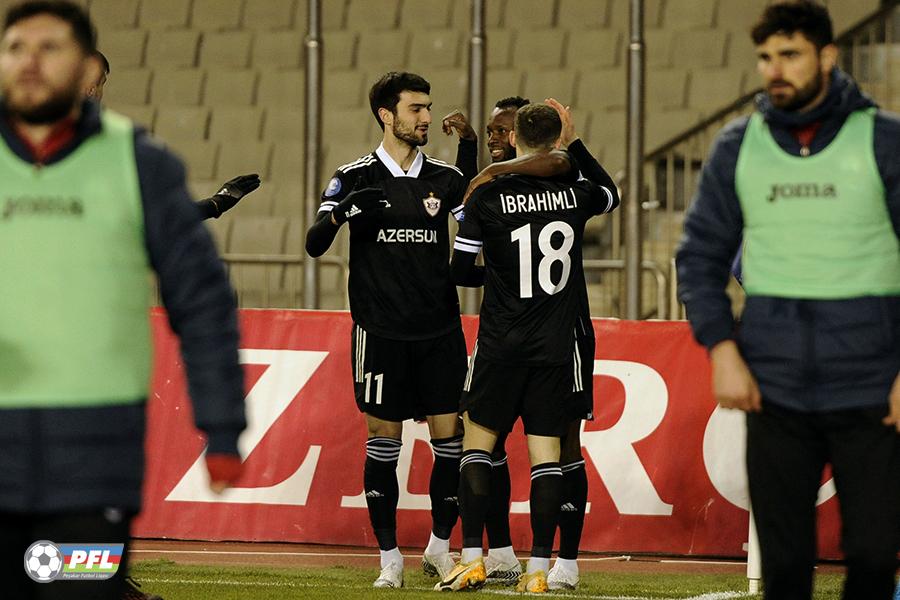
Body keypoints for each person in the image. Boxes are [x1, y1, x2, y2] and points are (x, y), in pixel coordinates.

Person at [0, 3, 247, 600]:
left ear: (84, 67)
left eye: (50, 48)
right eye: (15, 48)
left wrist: (221, 425)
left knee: (81, 583)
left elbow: (203, 301)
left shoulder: (138, 162)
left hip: (96, 456)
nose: (30, 63)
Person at [676, 1, 900, 598]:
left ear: (827, 57)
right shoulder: (737, 145)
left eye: (790, 55)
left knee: (875, 556)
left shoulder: (884, 140)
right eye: (766, 57)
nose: (775, 69)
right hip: (774, 389)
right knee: (785, 567)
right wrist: (722, 348)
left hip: (872, 388)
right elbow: (699, 256)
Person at [436, 101, 618, 593]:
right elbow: (610, 192)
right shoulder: (574, 193)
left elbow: (459, 271)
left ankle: (471, 559)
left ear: (515, 137)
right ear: (556, 139)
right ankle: (538, 569)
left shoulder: (488, 196)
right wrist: (574, 145)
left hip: (500, 342)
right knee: (547, 455)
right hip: (553, 346)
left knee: (477, 445)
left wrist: (500, 276)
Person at [305, 71, 471, 588]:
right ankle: (389, 558)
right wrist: (345, 212)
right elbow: (314, 242)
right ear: (386, 115)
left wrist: (470, 152)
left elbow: (475, 229)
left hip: (440, 331)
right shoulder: (354, 176)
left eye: (428, 108)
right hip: (379, 332)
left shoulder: (445, 178)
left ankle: (439, 548)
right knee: (383, 440)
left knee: (451, 441)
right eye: (415, 109)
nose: (426, 117)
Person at [81, 50, 261, 221]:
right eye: (101, 83)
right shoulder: (108, 146)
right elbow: (156, 219)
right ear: (90, 89)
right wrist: (217, 204)